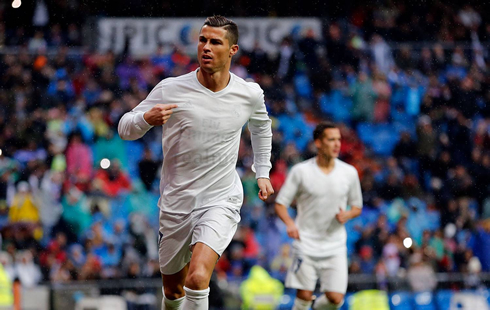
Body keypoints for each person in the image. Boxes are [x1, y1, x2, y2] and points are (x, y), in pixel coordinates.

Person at [118, 15, 274, 310]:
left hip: (220, 198)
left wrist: (262, 171)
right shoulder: (171, 88)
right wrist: (145, 119)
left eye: (215, 42)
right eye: (202, 40)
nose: (206, 47)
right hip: (177, 203)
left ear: (232, 50)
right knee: (174, 292)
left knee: (198, 278)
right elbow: (125, 127)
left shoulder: (249, 93)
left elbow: (261, 126)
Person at [275, 122, 362, 310]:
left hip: (335, 245)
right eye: (331, 140)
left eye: (339, 139)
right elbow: (280, 203)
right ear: (318, 143)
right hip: (306, 243)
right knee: (304, 295)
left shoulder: (349, 173)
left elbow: (357, 207)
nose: (337, 144)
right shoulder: (301, 171)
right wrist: (290, 223)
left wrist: (347, 214)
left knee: (335, 298)